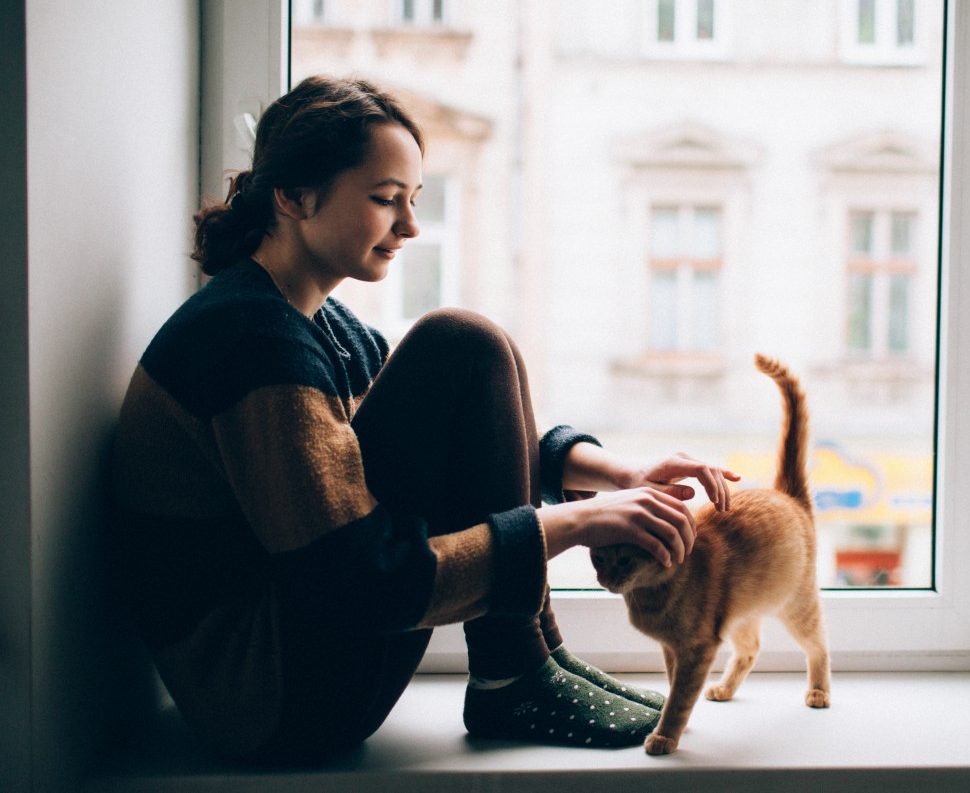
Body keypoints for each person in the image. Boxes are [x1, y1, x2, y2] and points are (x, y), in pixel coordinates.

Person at [109, 75, 740, 762]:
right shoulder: (251, 341)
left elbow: (474, 441)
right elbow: (363, 582)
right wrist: (577, 521)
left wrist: (614, 472)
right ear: (291, 196)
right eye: (385, 200)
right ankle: (515, 671)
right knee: (460, 342)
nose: (410, 226)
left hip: (293, 661)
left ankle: (525, 660)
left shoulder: (315, 325)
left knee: (471, 353)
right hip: (267, 699)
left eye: (413, 201)